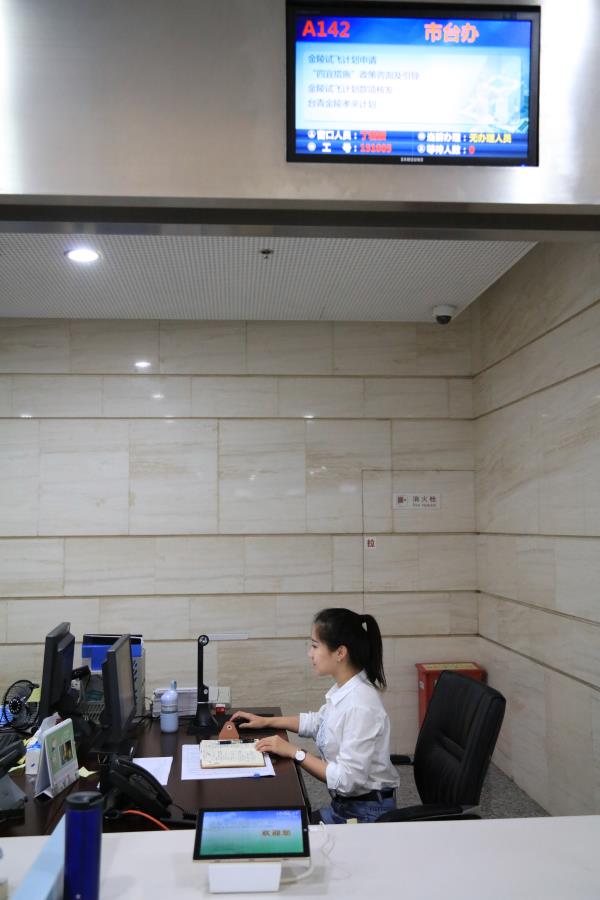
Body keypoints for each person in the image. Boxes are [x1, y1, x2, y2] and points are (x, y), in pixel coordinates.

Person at [231, 607, 399, 824]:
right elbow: (319, 723)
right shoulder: (345, 688)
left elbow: (347, 780)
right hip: (346, 805)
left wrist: (295, 752)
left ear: (340, 652)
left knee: (283, 828)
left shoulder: (360, 705)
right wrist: (267, 721)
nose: (310, 654)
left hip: (365, 813)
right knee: (283, 825)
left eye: (315, 646)